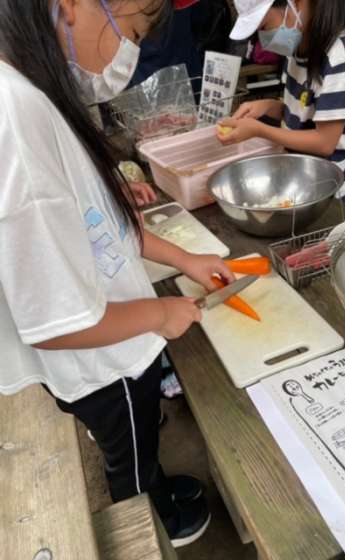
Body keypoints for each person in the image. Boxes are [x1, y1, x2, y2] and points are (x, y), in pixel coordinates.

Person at [0, 0, 235, 548]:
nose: (130, 53)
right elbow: (56, 323)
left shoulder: (35, 93)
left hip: (111, 338)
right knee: (130, 453)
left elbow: (100, 223)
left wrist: (184, 259)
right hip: (105, 362)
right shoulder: (16, 113)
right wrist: (161, 312)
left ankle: (159, 490)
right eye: (132, 31)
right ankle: (159, 525)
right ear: (72, 6)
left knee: (138, 438)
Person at [218, 0, 345, 205]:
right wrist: (267, 107)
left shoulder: (339, 56)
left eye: (264, 26)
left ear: (296, 4)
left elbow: (325, 142)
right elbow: (301, 110)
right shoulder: (296, 49)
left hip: (331, 192)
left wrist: (259, 130)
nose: (263, 39)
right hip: (298, 180)